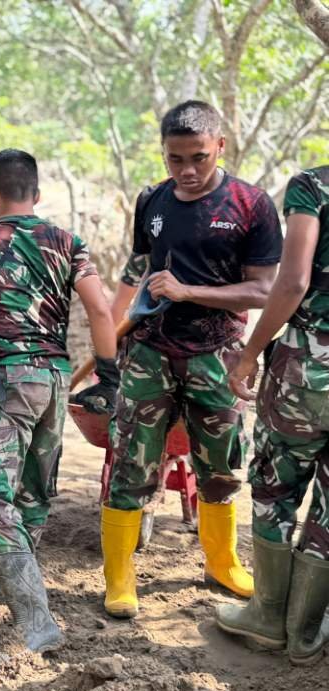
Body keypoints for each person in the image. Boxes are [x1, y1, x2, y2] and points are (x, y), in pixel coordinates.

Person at [101, 101, 282, 619]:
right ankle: (119, 575)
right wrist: (120, 323)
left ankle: (222, 563)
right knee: (130, 464)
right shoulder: (152, 200)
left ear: (220, 146)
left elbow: (263, 290)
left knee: (221, 469)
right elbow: (143, 267)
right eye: (174, 158)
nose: (186, 170)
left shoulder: (251, 204)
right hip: (150, 353)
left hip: (218, 354)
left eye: (198, 157)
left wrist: (188, 292)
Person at [0, 149, 118, 652]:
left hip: (5, 378)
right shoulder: (67, 242)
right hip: (54, 380)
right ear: (36, 195)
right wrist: (108, 376)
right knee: (32, 493)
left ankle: (37, 620)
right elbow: (100, 309)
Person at [217, 165, 329, 665]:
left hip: (307, 373)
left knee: (275, 487)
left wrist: (250, 353)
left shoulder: (314, 185)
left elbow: (294, 280)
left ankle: (268, 616)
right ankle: (306, 632)